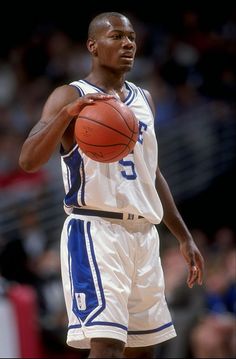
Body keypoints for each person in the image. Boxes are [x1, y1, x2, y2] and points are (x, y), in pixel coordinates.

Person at [19, 11, 204, 359]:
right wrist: (66, 116)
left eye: (131, 36)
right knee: (106, 346)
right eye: (116, 36)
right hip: (95, 230)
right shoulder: (69, 95)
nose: (128, 43)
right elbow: (28, 160)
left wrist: (184, 235)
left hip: (144, 234)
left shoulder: (144, 99)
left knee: (143, 349)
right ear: (93, 45)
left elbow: (152, 173)